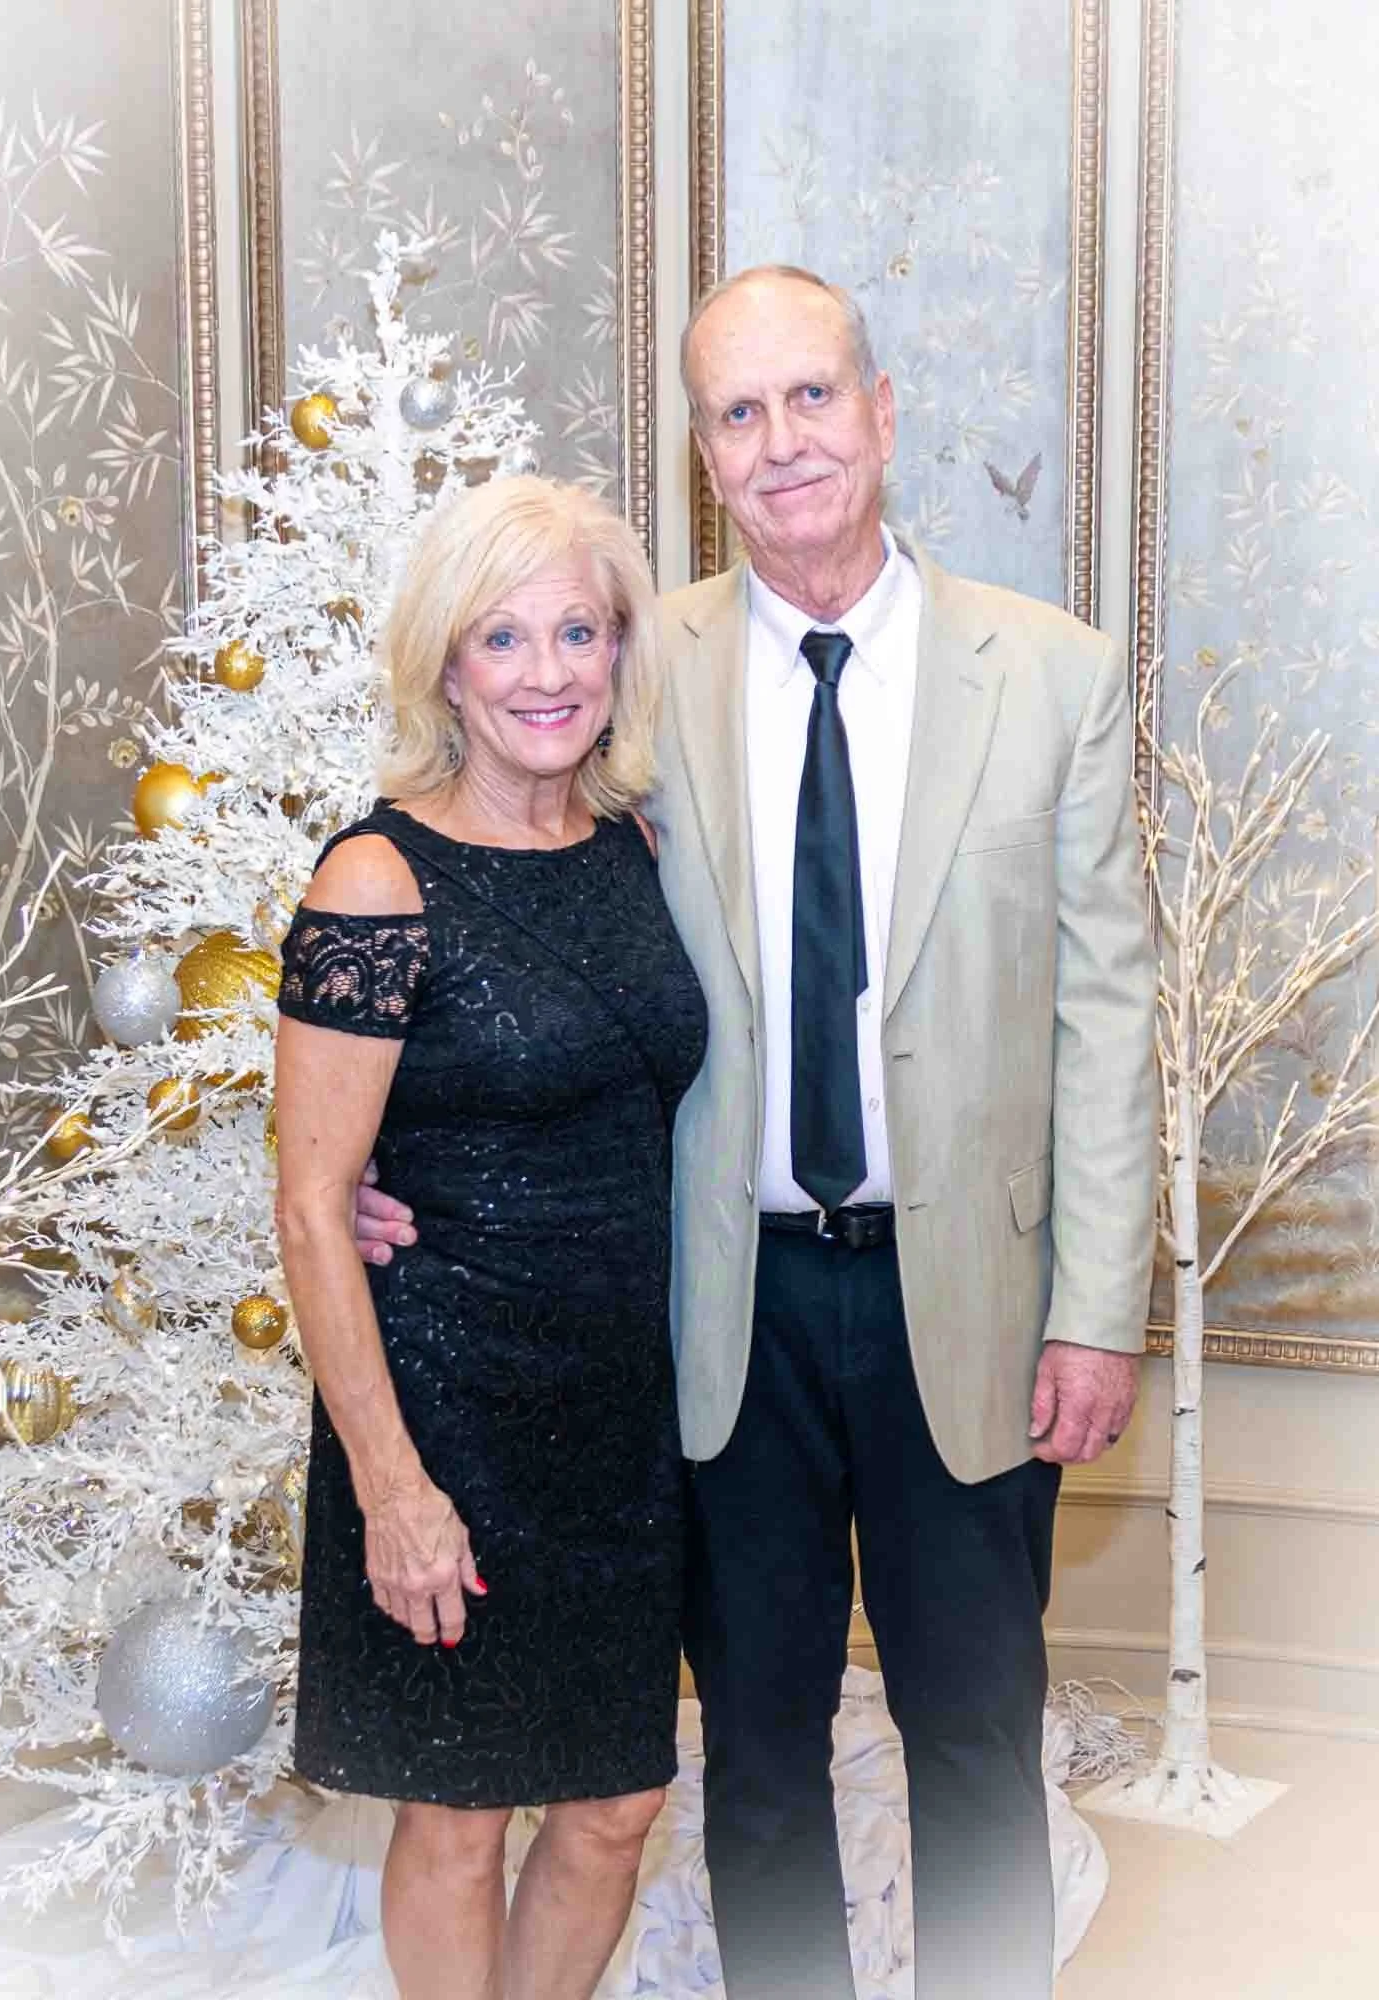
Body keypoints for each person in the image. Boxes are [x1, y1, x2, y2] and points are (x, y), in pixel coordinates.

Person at [357, 266, 1157, 2000]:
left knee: (974, 1744)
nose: (783, 443)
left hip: (979, 1310)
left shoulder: (1056, 677)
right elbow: (488, 908)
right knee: (762, 1764)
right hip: (719, 1316)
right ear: (705, 454)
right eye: (740, 413)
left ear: (881, 411)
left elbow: (1111, 1015)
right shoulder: (635, 670)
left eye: (812, 399)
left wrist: (1100, 1304)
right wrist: (372, 1167)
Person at [274, 474, 707, 2000]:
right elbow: (317, 1201)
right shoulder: (378, 879)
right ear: (446, 666)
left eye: (578, 630)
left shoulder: (640, 852)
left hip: (617, 1418)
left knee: (615, 1803)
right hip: (444, 1409)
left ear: (619, 650)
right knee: (456, 1815)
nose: (548, 672)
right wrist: (393, 1490)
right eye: (504, 637)